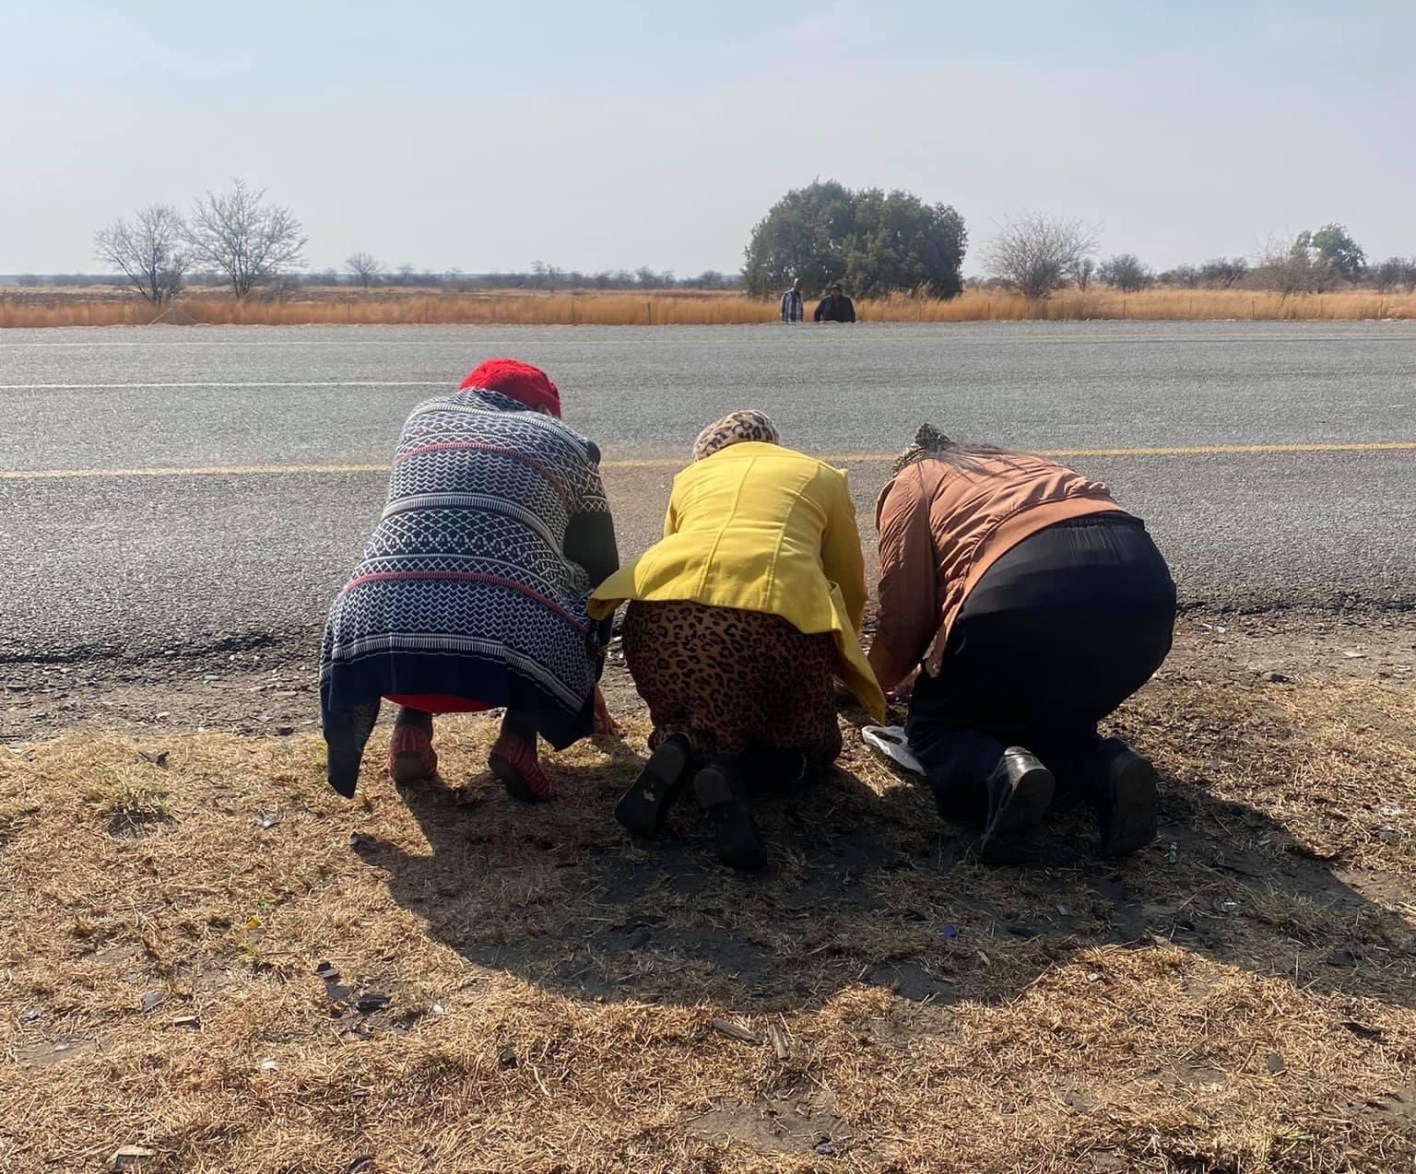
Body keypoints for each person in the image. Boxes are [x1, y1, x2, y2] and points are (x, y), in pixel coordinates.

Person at [589, 411, 885, 870]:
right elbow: (847, 583)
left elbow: (680, 559)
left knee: (697, 703)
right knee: (814, 750)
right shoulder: (823, 477)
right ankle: (730, 770)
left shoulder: (691, 477)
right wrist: (840, 662)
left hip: (656, 623)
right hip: (768, 623)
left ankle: (684, 746)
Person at [869, 424, 1176, 863]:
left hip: (1026, 593)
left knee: (935, 728)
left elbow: (905, 617)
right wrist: (932, 668)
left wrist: (867, 683)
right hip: (1144, 598)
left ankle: (998, 775)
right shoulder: (1021, 466)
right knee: (1045, 716)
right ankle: (1106, 767)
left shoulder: (914, 480)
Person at [319, 358, 620, 804]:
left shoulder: (422, 417)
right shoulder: (570, 445)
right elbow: (600, 570)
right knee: (572, 590)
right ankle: (519, 739)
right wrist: (582, 670)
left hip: (374, 650)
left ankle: (410, 732)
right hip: (496, 666)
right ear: (544, 409)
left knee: (426, 576)